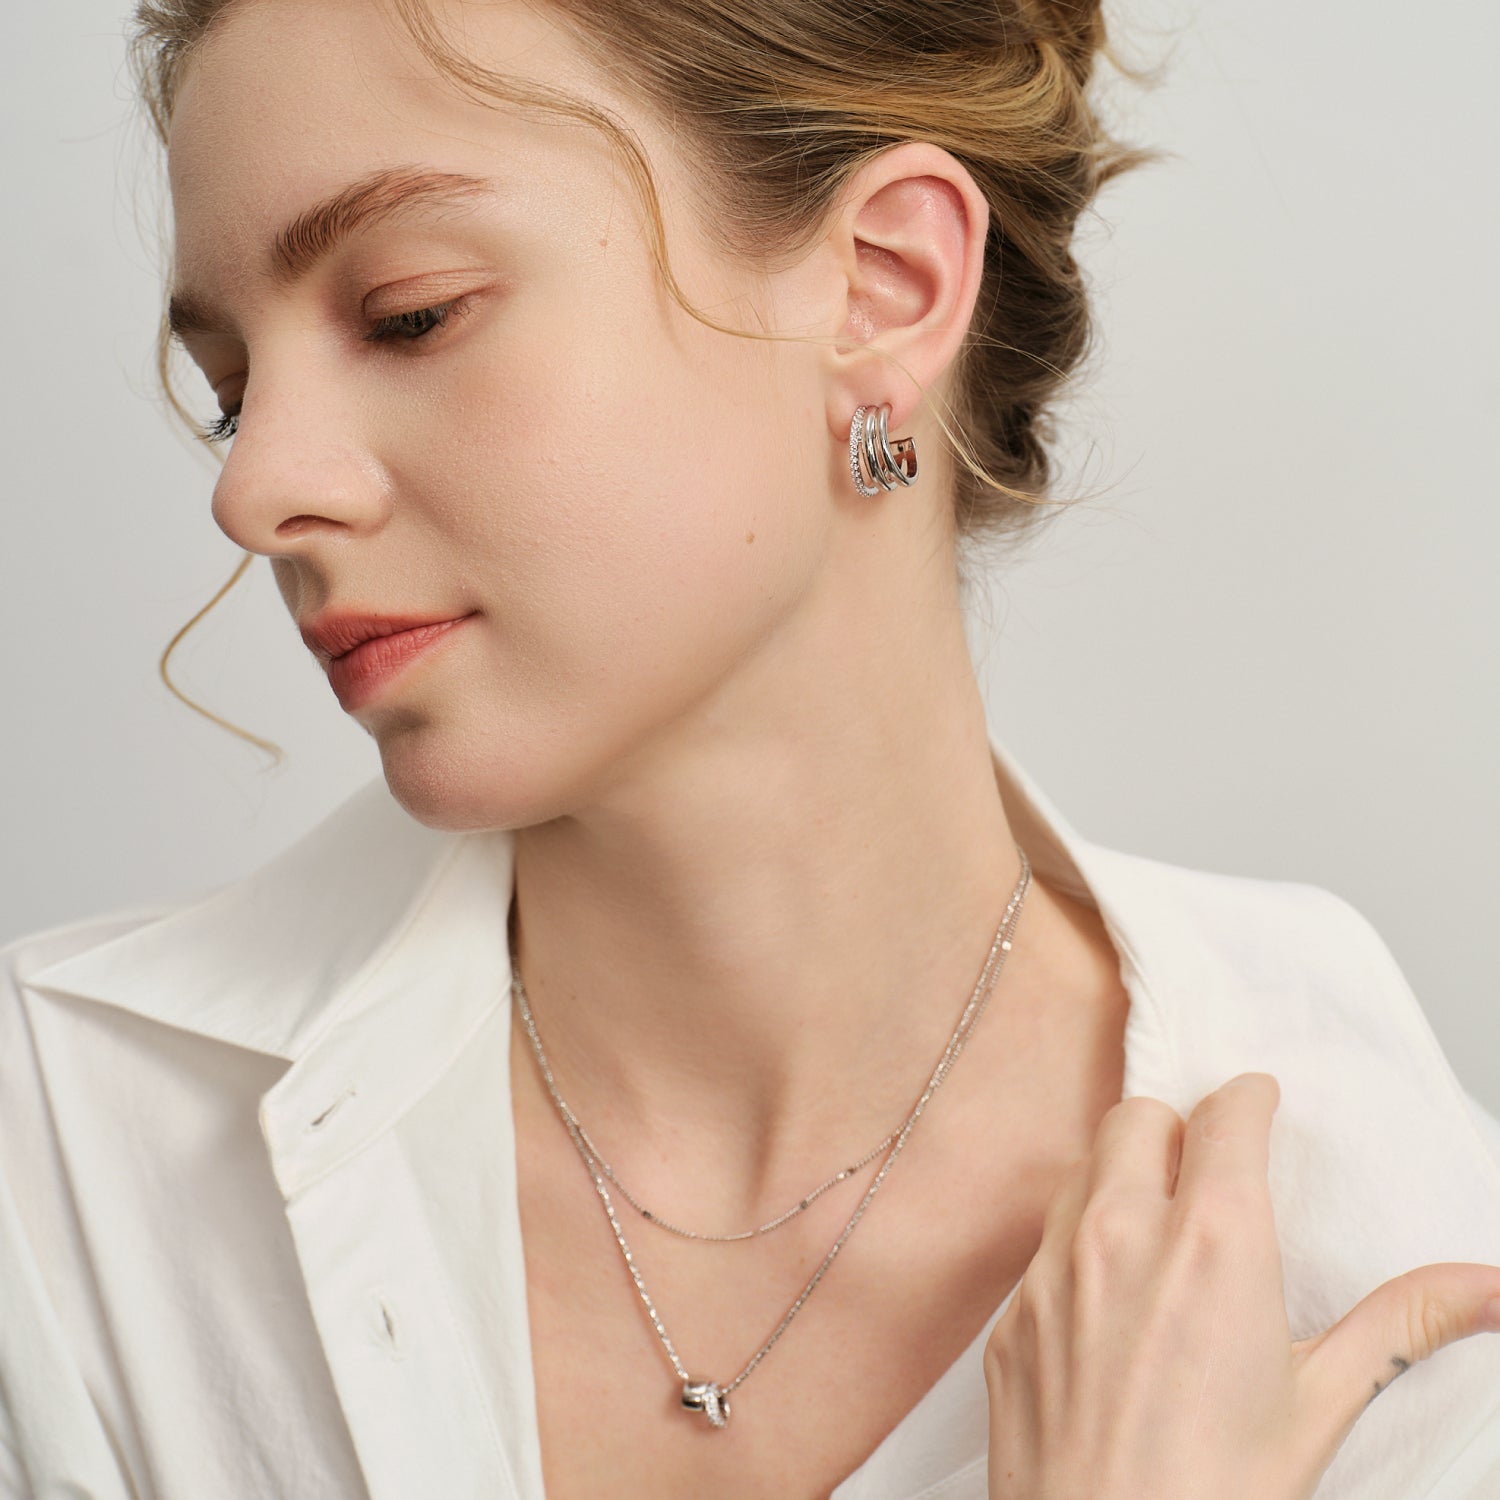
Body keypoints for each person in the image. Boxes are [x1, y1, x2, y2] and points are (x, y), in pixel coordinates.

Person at [3, 0, 1499, 1497]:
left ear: (884, 285)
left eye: (411, 313)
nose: (254, 489)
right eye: (233, 395)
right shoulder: (62, 1159)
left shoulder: (1365, 1228)